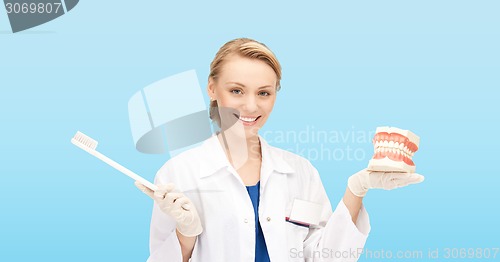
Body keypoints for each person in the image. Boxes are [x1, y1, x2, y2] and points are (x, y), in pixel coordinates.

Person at [135, 38, 424, 262]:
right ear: (212, 88)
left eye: (264, 93)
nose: (251, 106)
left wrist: (356, 190)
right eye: (236, 90)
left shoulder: (299, 171)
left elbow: (326, 256)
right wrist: (186, 235)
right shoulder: (179, 173)